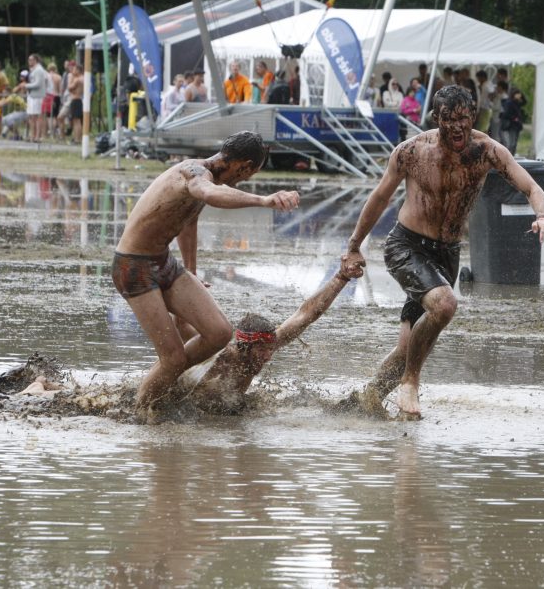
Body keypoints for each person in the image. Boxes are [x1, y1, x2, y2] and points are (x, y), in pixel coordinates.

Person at [340, 86, 544, 419]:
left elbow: (531, 186)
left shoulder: (487, 151)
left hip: (447, 252)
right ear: (436, 119)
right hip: (407, 246)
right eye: (449, 120)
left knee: (406, 348)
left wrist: (542, 216)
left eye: (464, 119)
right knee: (445, 305)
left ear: (472, 116)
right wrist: (354, 245)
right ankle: (410, 384)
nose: (458, 127)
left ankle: (366, 400)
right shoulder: (411, 151)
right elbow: (380, 197)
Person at [111, 131, 300, 415]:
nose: (246, 180)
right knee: (173, 358)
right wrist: (264, 201)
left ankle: (165, 380)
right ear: (244, 165)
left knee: (219, 333)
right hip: (134, 266)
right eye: (249, 174)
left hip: (164, 262)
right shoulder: (194, 173)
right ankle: (140, 414)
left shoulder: (206, 180)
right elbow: (210, 194)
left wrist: (191, 271)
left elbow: (188, 223)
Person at [177, 263, 362, 414]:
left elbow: (306, 314)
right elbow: (181, 325)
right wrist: (187, 290)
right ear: (245, 346)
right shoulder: (218, 352)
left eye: (270, 349)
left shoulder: (269, 342)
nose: (268, 357)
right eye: (262, 350)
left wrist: (341, 277)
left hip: (228, 408)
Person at [24, 54, 48, 142]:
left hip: (37, 96)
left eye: (31, 60)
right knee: (31, 116)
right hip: (31, 95)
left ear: (36, 60)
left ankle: (37, 136)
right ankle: (32, 135)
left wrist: (26, 85)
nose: (29, 62)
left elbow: (38, 83)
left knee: (37, 116)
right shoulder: (33, 70)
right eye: (28, 60)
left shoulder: (39, 70)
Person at [499, 84, 526, 155]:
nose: (518, 95)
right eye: (517, 94)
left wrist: (521, 95)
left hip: (517, 125)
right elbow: (506, 114)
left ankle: (512, 156)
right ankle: (509, 156)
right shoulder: (509, 102)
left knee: (514, 143)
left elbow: (525, 102)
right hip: (511, 125)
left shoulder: (517, 102)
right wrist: (514, 118)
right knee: (511, 143)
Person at [66, 63, 84, 144]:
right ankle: (78, 138)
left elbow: (70, 87)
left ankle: (77, 139)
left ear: (78, 70)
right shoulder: (83, 78)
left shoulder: (77, 79)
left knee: (76, 121)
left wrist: (71, 79)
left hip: (75, 99)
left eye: (74, 69)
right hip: (79, 99)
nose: (73, 71)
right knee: (78, 120)